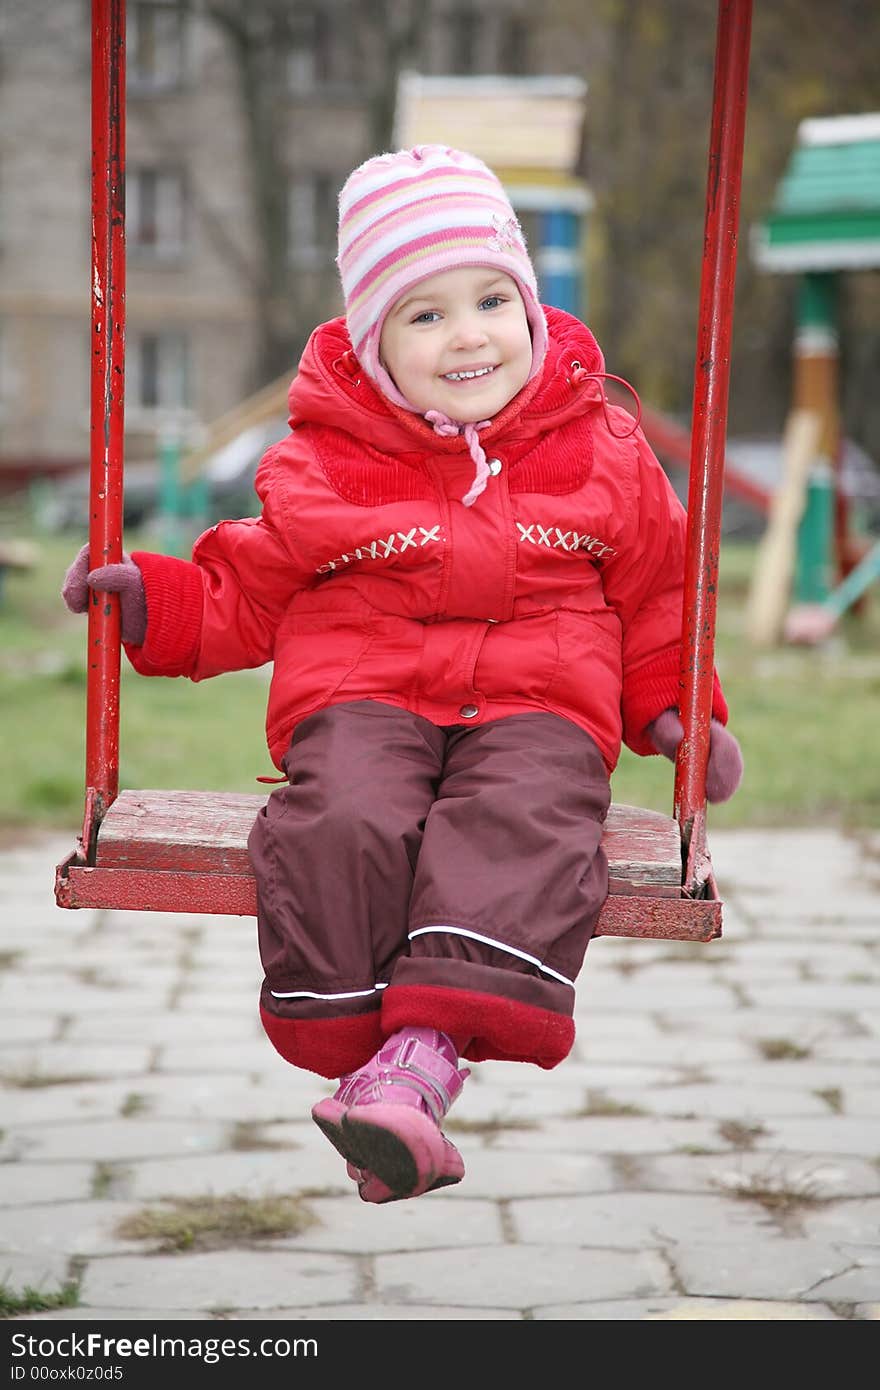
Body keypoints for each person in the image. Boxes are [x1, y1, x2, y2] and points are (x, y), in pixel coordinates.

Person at [63, 144, 743, 1204]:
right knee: (342, 817)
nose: (467, 333)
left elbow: (656, 593)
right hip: (363, 695)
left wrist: (674, 712)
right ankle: (382, 1082)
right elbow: (252, 587)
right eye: (422, 315)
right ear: (373, 346)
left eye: (488, 299)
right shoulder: (322, 461)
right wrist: (160, 602)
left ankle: (414, 1065)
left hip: (539, 701)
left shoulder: (602, 447)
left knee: (522, 816)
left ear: (530, 306)